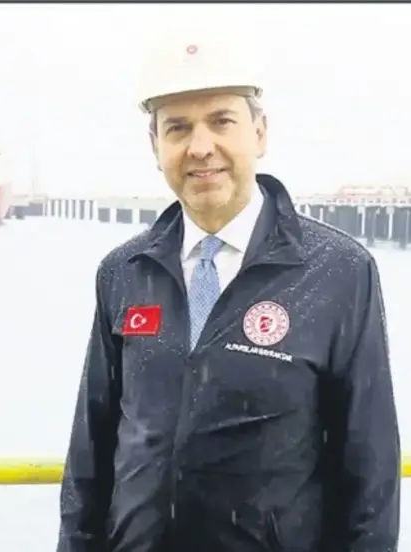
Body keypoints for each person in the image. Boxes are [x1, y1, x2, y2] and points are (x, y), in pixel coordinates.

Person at [56, 34, 400, 552]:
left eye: (221, 121)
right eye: (177, 128)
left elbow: (369, 469)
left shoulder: (337, 271)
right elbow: (91, 455)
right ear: (155, 147)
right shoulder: (124, 272)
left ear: (259, 133)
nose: (200, 147)